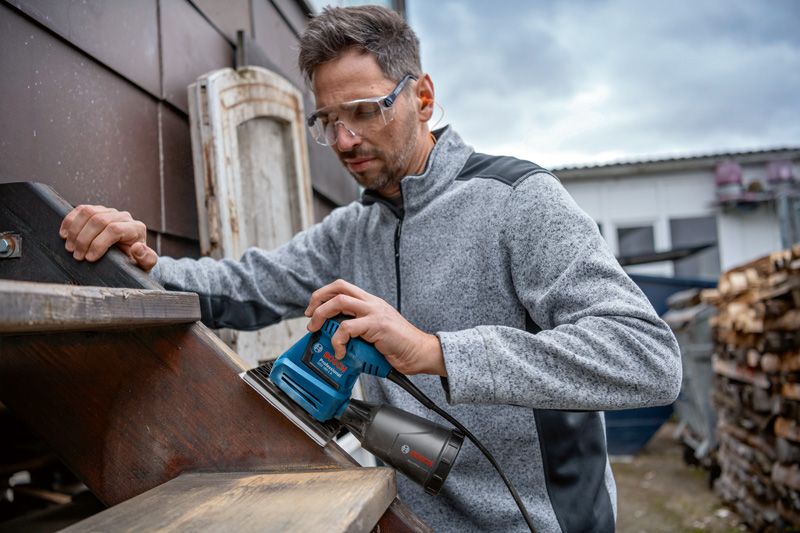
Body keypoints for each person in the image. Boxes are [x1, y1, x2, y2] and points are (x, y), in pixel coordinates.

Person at [59, 5, 681, 532]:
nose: (346, 140)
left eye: (363, 111)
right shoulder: (352, 231)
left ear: (423, 96)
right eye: (328, 121)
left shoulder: (520, 202)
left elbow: (648, 359)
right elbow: (241, 287)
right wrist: (145, 263)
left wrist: (436, 351)